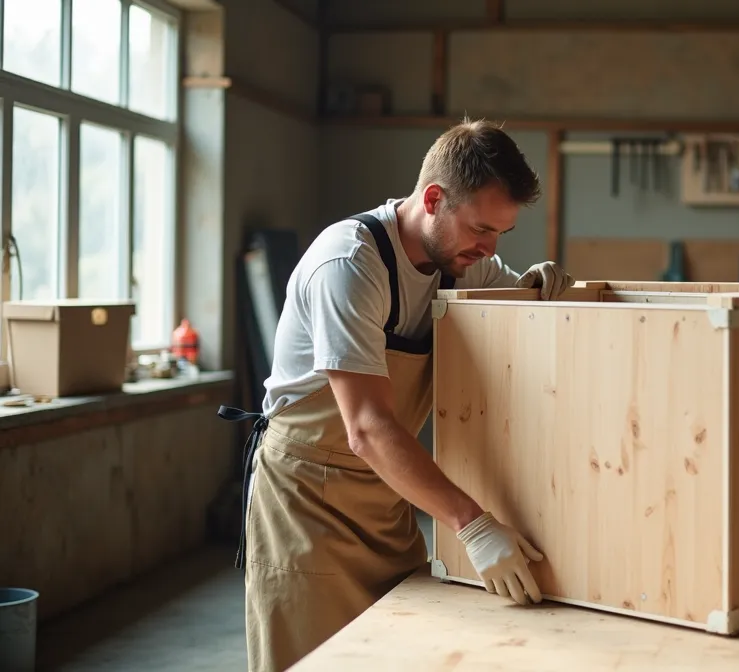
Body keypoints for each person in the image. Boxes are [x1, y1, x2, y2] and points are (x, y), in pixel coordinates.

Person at [217, 118, 575, 672]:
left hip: (386, 499)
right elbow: (365, 428)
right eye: (482, 229)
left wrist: (538, 286)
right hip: (308, 503)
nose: (489, 249)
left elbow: (513, 292)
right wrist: (472, 524)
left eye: (500, 234)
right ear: (433, 199)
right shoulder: (350, 264)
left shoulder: (458, 260)